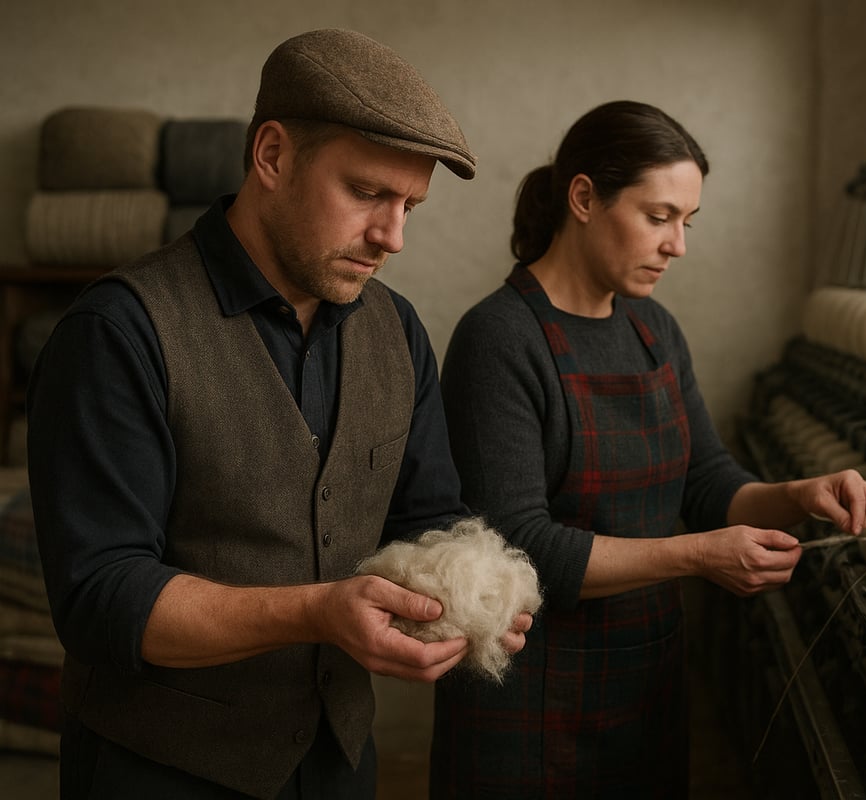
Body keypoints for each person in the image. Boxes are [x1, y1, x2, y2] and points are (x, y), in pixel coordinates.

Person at [26, 28, 529, 800]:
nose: (392, 236)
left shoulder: (398, 331)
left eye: (409, 205)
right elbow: (102, 597)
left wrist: (468, 599)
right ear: (272, 155)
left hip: (338, 765)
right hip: (160, 772)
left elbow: (428, 517)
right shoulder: (120, 332)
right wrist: (321, 612)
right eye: (366, 192)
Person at [433, 99, 866, 798]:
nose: (678, 245)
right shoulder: (499, 338)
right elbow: (520, 544)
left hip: (643, 678)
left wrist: (799, 496)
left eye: (687, 222)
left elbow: (707, 482)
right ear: (584, 198)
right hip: (530, 693)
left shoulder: (654, 330)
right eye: (659, 216)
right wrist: (699, 556)